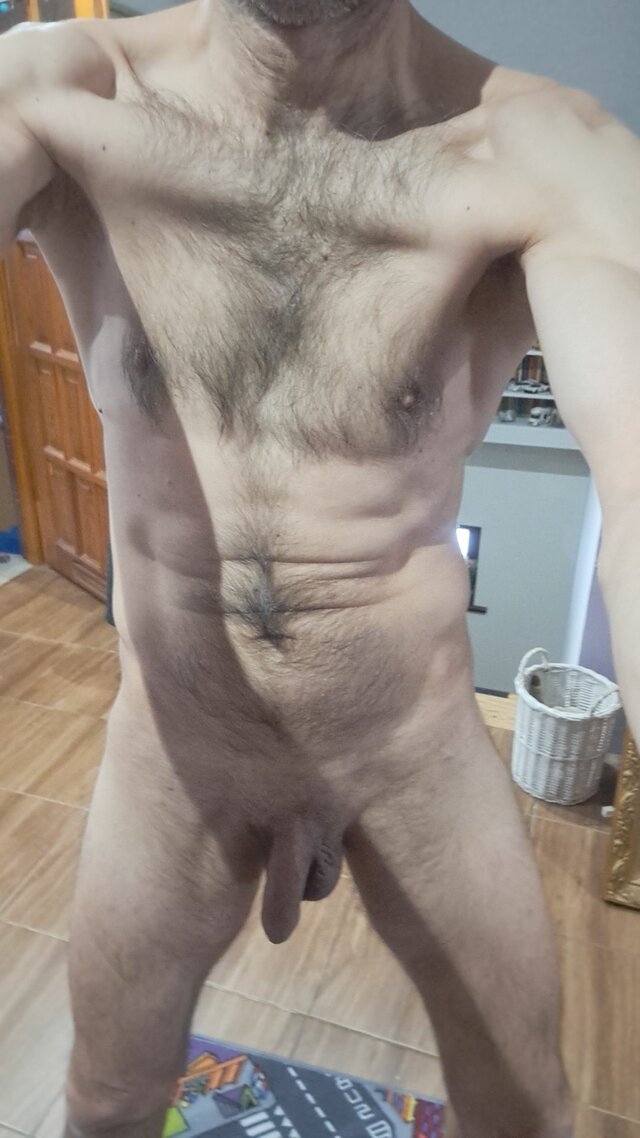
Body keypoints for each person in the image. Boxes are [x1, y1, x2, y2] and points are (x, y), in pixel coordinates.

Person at [2, 2, 639, 1135]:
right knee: (104, 1100)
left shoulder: (544, 149)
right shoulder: (58, 93)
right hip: (174, 750)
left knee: (526, 1111)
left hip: (413, 754)